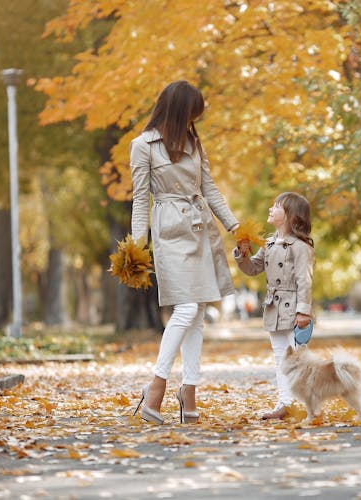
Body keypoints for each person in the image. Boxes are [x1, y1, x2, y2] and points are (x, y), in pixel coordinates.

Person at [130, 80, 239, 424]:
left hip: (198, 228)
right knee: (187, 307)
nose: (196, 120)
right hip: (169, 232)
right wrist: (136, 247)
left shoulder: (194, 143)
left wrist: (235, 226)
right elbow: (140, 200)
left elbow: (209, 188)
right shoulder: (143, 146)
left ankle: (188, 389)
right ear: (179, 111)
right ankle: (157, 384)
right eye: (192, 113)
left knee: (199, 312)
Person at [234, 192, 314, 420]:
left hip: (293, 309)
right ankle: (285, 403)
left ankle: (306, 403)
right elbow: (253, 269)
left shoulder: (300, 247)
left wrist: (303, 311)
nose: (270, 209)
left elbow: (304, 281)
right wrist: (242, 255)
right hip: (274, 308)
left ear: (290, 216)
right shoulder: (268, 243)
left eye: (276, 206)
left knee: (297, 360)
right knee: (280, 358)